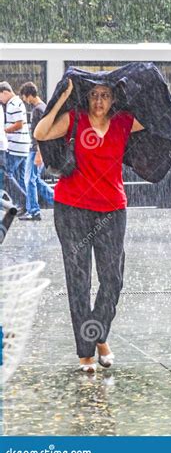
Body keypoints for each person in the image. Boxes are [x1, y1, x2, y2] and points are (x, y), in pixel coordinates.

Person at [34, 79, 145, 373]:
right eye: (94, 95)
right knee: (79, 281)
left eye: (105, 96)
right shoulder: (75, 119)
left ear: (113, 99)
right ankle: (86, 352)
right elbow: (40, 132)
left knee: (112, 280)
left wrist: (136, 89)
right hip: (72, 208)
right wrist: (63, 98)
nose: (99, 101)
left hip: (112, 210)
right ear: (87, 98)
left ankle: (98, 335)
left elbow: (157, 119)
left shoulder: (124, 122)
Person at [18, 82, 54, 221]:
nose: (25, 101)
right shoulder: (44, 107)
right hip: (40, 150)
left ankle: (34, 211)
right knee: (35, 180)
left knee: (29, 180)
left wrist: (39, 153)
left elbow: (40, 134)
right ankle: (59, 201)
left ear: (29, 95)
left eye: (25, 98)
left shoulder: (37, 110)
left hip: (36, 150)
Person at [0, 81, 29, 213]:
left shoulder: (14, 104)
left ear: (5, 92)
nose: (1, 100)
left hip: (16, 146)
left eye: (0, 97)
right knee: (19, 178)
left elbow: (19, 124)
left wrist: (3, 131)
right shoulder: (16, 102)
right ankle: (24, 206)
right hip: (23, 146)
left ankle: (23, 199)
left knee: (7, 174)